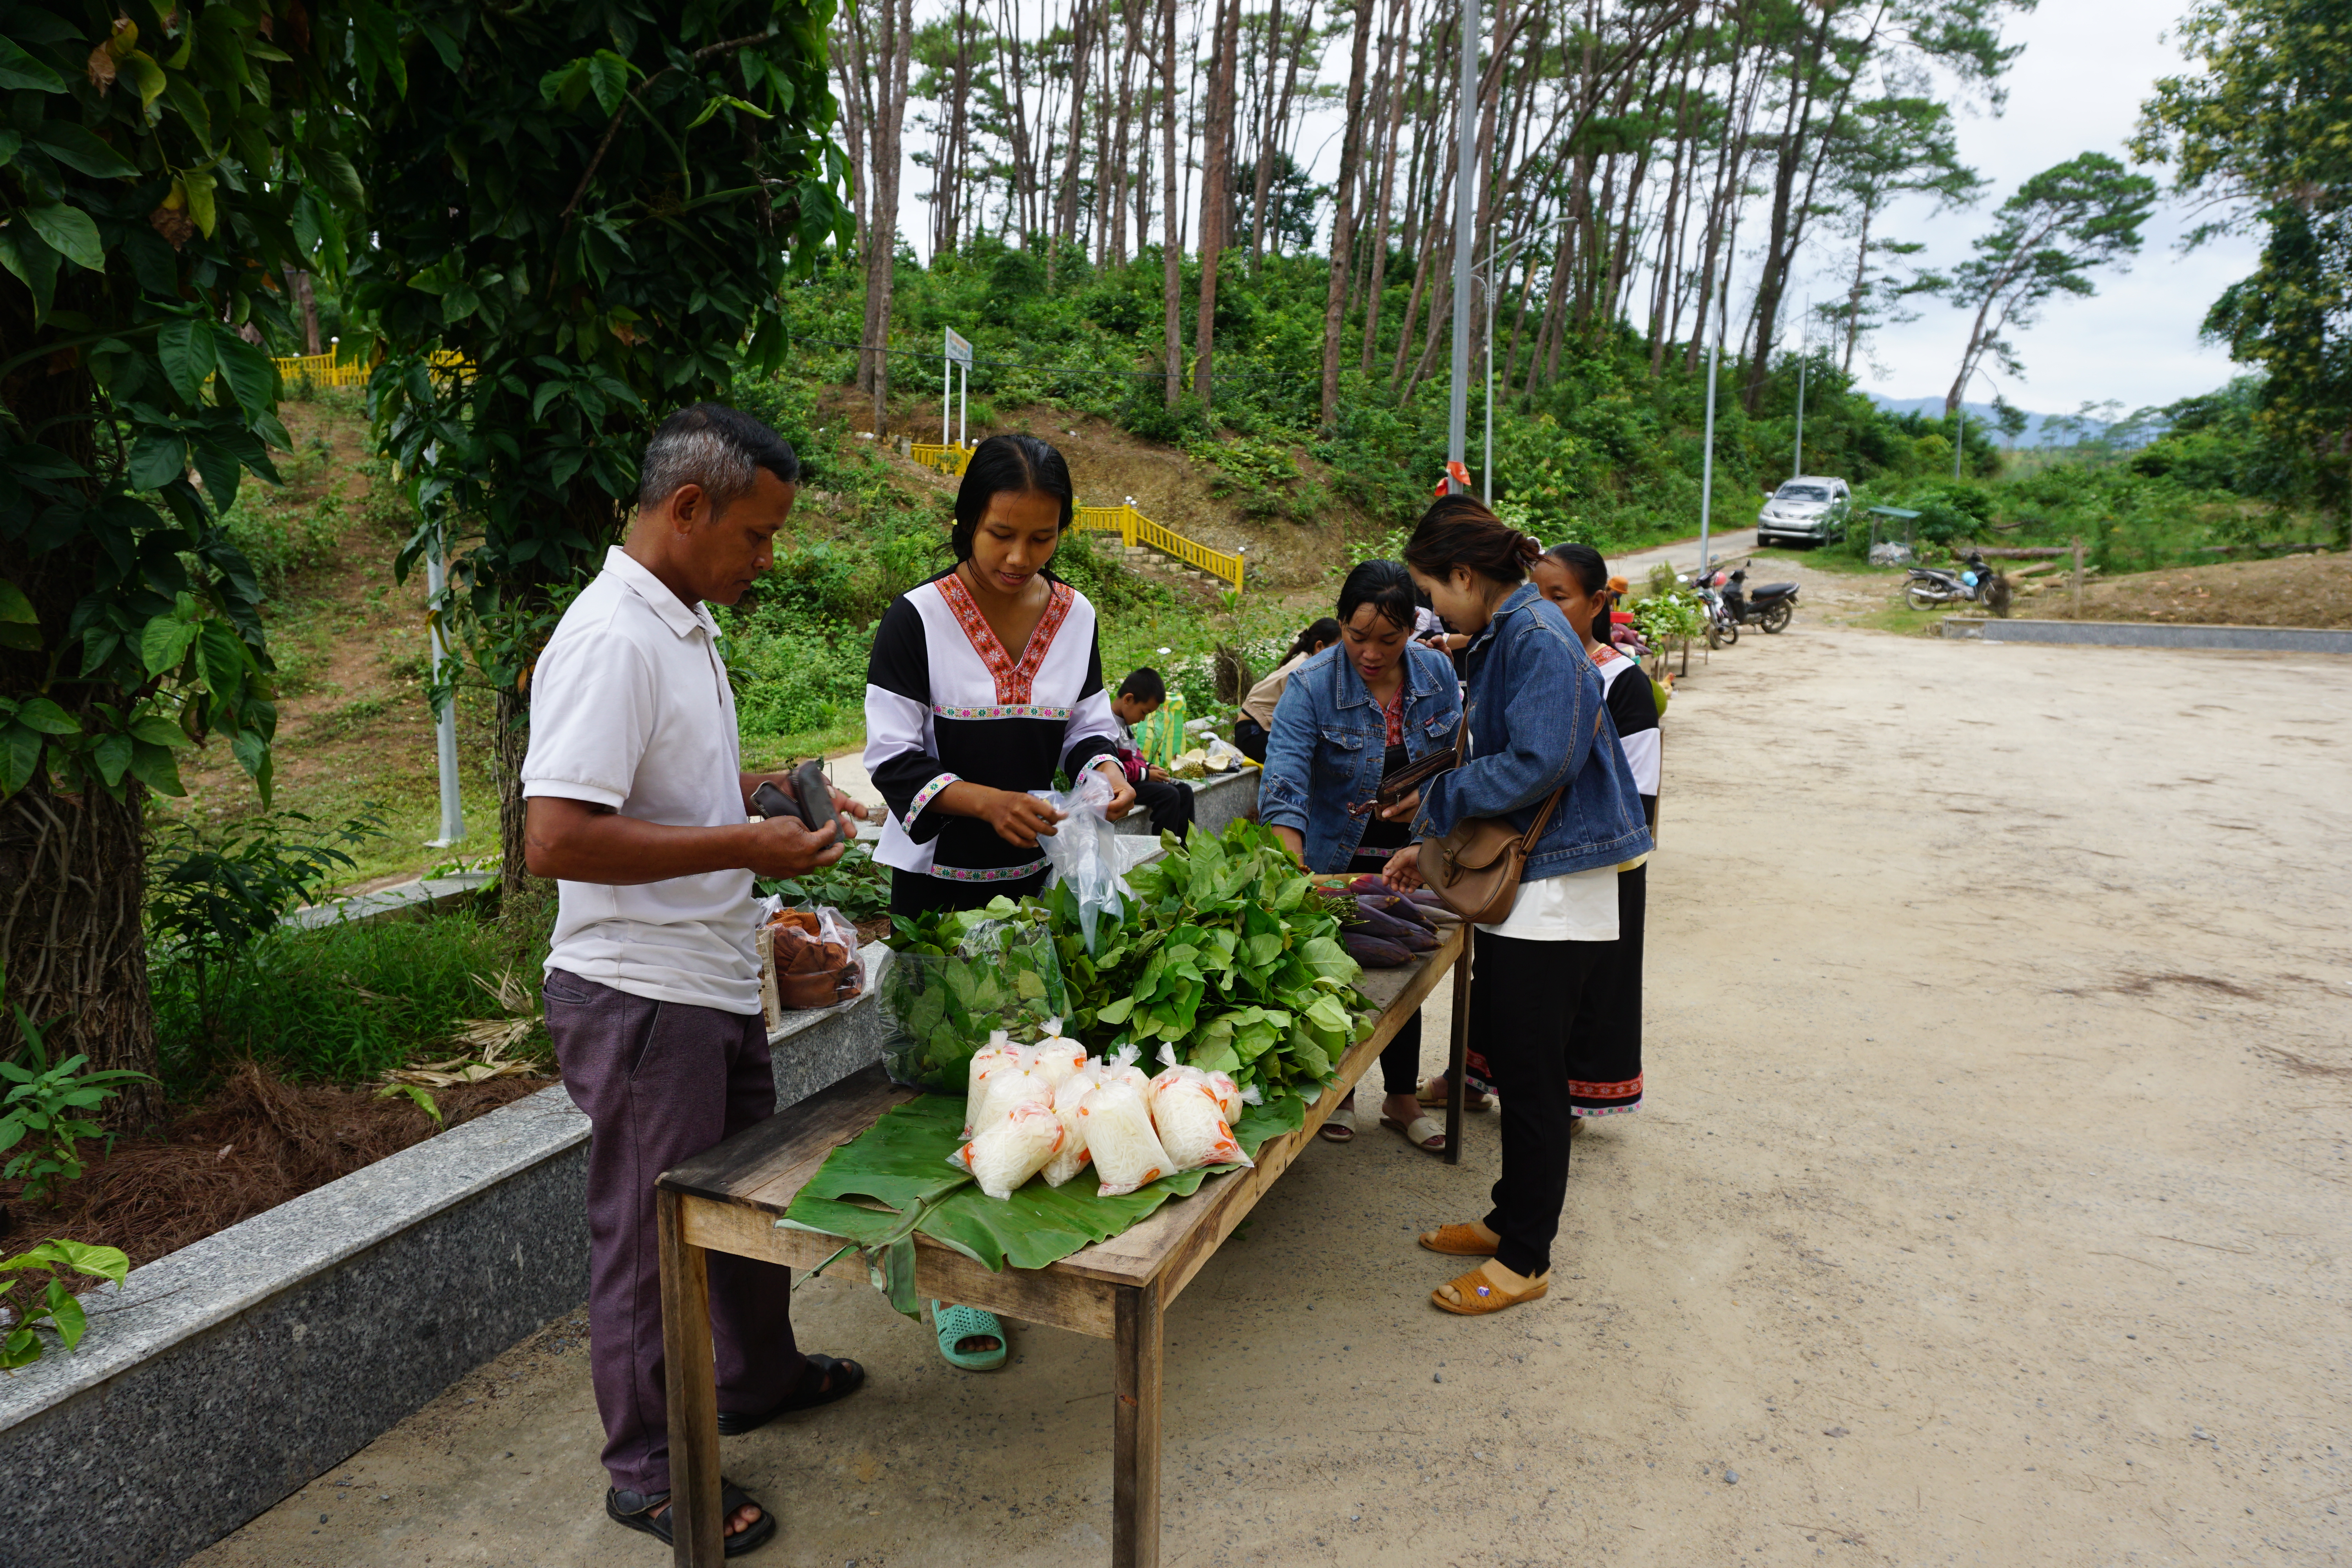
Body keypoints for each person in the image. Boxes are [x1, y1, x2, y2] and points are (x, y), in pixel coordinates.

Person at [523, 404, 873, 1555]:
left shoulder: (679, 622)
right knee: (651, 1235)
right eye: (757, 537)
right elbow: (558, 837)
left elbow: (665, 799)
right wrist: (744, 847)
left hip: (705, 984)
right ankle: (650, 1467)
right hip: (640, 1000)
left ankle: (757, 1374)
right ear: (687, 509)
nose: (766, 559)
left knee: (738, 1205)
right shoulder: (611, 636)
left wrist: (762, 810)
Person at [862, 432, 1136, 1370]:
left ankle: (1004, 1256)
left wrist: (1104, 771)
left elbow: (1089, 725)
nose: (1020, 559)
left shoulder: (1078, 615)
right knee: (941, 1092)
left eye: (1042, 539)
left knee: (1025, 1088)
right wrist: (983, 802)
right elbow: (893, 757)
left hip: (1030, 890)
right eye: (1000, 535)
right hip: (936, 892)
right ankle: (939, 1283)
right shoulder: (916, 621)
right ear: (964, 522)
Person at [1390, 496, 1651, 1317]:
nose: (1435, 608)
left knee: (1535, 1079)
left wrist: (1441, 794)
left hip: (1557, 885)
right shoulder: (1516, 629)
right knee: (1515, 1057)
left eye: (1435, 590)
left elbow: (1542, 758)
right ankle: (1510, 1221)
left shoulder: (1535, 636)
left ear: (1466, 576)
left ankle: (1527, 1257)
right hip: (1532, 881)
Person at [1259, 561, 1461, 1153]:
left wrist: (1429, 825)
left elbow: (1454, 760)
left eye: (1388, 640)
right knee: (1339, 973)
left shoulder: (1437, 673)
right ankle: (1342, 1091)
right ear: (1341, 622)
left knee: (1406, 966)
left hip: (1414, 853)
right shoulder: (1311, 685)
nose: (1370, 653)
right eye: (1356, 636)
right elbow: (1286, 780)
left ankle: (1401, 1097)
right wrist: (1293, 865)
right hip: (1333, 855)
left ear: (1412, 631)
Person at [1232, 617, 1339, 762]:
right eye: (1338, 650)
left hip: (1261, 731)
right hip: (1254, 734)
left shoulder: (1307, 662)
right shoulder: (1305, 669)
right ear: (1319, 646)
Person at [1110, 667, 1198, 841]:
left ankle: (1186, 851)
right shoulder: (1107, 724)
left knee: (1185, 790)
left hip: (1135, 779)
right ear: (1129, 699)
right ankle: (1165, 851)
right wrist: (1146, 774)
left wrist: (1148, 766)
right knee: (1169, 795)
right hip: (1120, 785)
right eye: (1144, 712)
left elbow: (1134, 755)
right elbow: (1111, 767)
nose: (1143, 719)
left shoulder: (1124, 722)